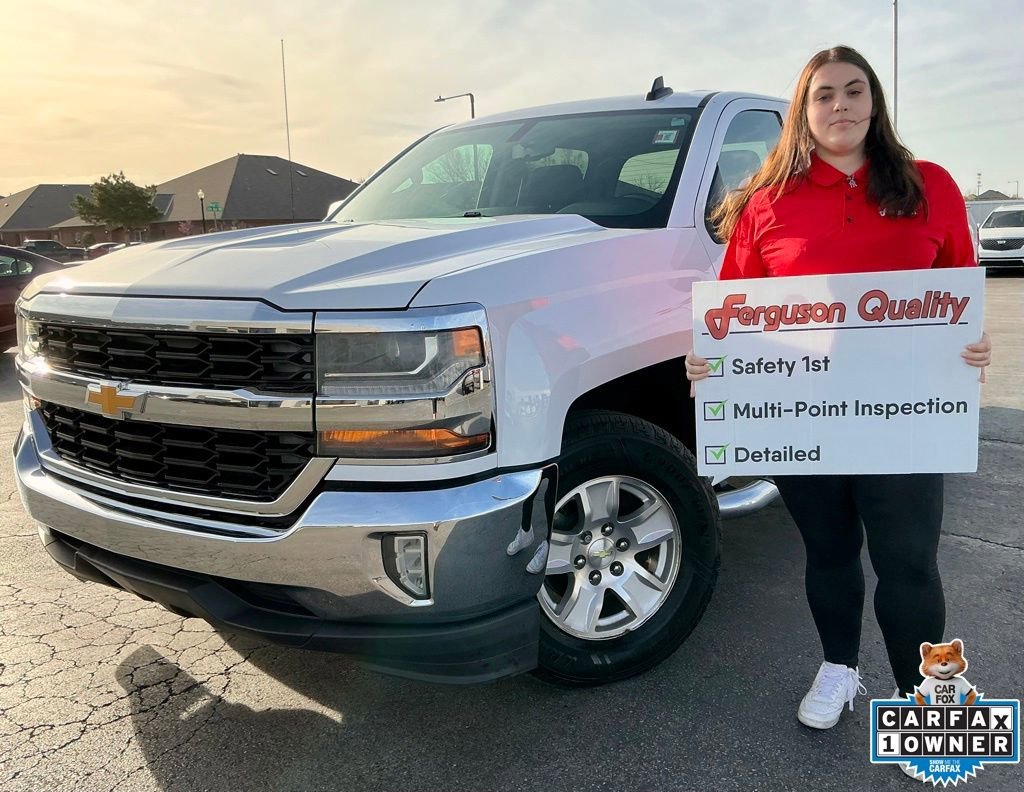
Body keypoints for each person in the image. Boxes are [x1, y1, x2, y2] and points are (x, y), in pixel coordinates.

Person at [686, 46, 992, 735]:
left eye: (855, 91)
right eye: (824, 95)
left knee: (908, 561)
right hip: (807, 419)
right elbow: (733, 314)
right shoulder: (766, 205)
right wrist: (708, 362)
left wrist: (972, 343)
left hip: (904, 418)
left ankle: (930, 700)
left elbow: (958, 291)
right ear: (804, 112)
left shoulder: (929, 185)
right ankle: (838, 668)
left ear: (874, 104)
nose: (841, 105)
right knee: (827, 552)